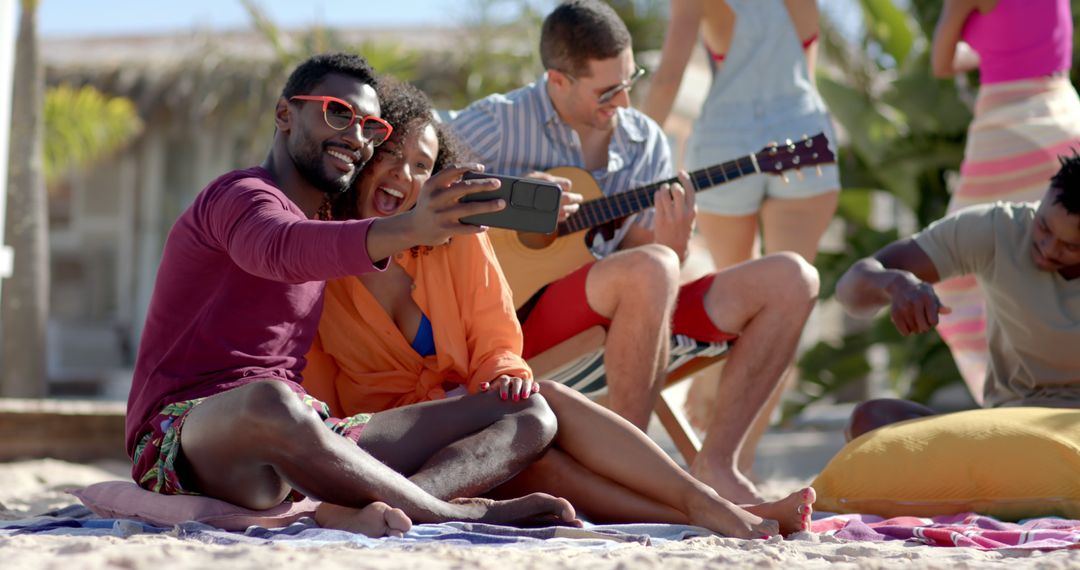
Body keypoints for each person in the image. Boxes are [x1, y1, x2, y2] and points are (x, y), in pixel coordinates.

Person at [305, 77, 816, 538]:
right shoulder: (322, 255)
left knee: (540, 439)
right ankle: (719, 511)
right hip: (390, 443)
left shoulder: (455, 238)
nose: (405, 174)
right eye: (392, 154)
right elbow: (316, 388)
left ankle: (708, 509)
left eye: (422, 165)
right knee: (541, 423)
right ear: (366, 155)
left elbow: (495, 333)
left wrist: (504, 370)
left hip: (468, 418)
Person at [125, 52, 582, 538]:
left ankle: (391, 505)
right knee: (270, 401)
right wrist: (407, 227)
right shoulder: (237, 197)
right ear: (285, 114)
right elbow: (280, 249)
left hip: (303, 438)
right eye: (338, 113)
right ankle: (446, 513)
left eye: (371, 128)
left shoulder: (327, 226)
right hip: (183, 436)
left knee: (528, 410)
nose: (356, 137)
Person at [449, 0, 820, 503]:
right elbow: (413, 166)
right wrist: (518, 200)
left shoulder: (644, 139)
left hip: (632, 314)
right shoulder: (498, 121)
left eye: (629, 81)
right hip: (517, 325)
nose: (623, 101)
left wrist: (671, 244)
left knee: (792, 278)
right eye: (607, 90)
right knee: (650, 269)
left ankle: (716, 463)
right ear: (558, 81)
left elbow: (650, 259)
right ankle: (632, 471)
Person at [835, 153, 1080, 440]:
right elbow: (850, 291)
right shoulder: (998, 229)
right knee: (871, 421)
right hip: (1011, 433)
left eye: (1071, 246)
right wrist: (895, 284)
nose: (1049, 248)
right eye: (1044, 226)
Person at [929, 0, 1080, 400]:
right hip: (1064, 115)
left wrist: (964, 28)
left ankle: (1003, 394)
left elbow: (941, 64)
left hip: (1008, 126)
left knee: (951, 278)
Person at [642, 0, 840, 269]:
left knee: (735, 286)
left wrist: (637, 153)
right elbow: (806, 74)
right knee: (791, 280)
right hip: (801, 134)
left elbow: (667, 81)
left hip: (723, 140)